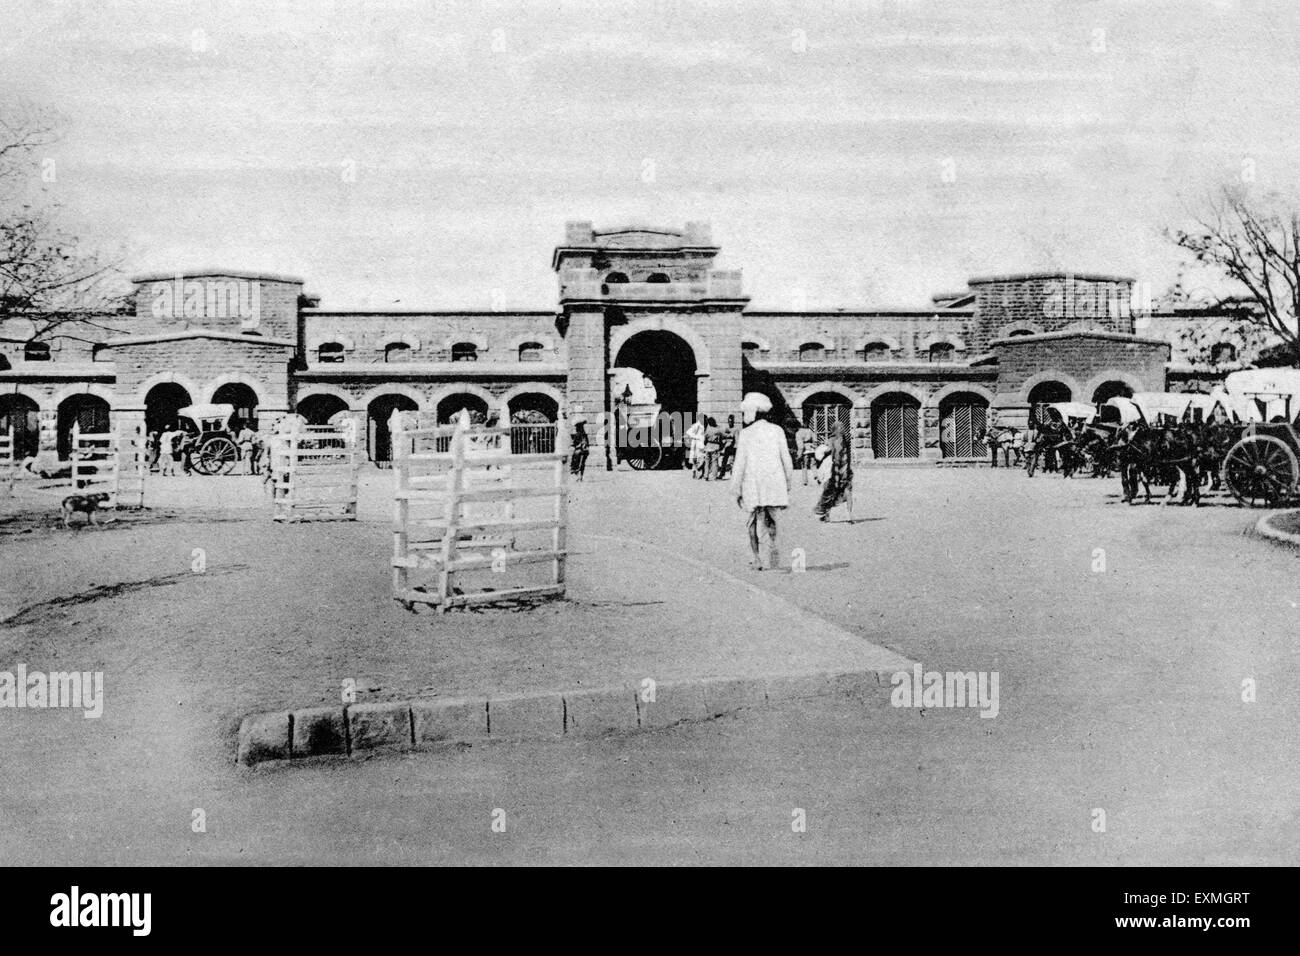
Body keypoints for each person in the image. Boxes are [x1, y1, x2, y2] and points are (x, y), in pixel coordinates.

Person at [730, 392, 793, 571]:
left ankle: (757, 559)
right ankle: (772, 552)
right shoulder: (777, 430)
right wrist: (787, 483)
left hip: (753, 483)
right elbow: (786, 460)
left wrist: (736, 488)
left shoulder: (746, 433)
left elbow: (739, 464)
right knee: (771, 518)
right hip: (774, 482)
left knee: (752, 521)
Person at [813, 421, 854, 521]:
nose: (841, 430)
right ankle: (840, 516)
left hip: (838, 470)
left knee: (838, 492)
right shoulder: (839, 440)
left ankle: (840, 516)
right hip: (839, 470)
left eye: (842, 428)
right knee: (839, 492)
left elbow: (844, 455)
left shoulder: (837, 440)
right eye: (840, 428)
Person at [717, 414, 739, 480]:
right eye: (729, 421)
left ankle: (735, 475)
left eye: (731, 421)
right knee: (724, 460)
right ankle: (722, 474)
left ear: (733, 421)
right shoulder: (726, 429)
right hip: (727, 447)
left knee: (734, 461)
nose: (730, 423)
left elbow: (737, 439)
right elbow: (723, 438)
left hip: (734, 447)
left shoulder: (736, 429)